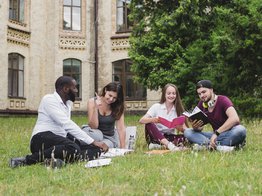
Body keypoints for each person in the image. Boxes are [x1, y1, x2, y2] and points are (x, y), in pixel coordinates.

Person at [10, 76, 108, 168]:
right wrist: (93, 141)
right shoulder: (49, 100)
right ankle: (25, 160)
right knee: (73, 148)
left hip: (59, 141)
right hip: (41, 139)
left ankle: (53, 160)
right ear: (65, 89)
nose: (76, 91)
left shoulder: (68, 103)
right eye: (74, 88)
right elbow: (66, 123)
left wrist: (93, 144)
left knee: (95, 149)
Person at [184, 80, 246, 151]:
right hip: (215, 136)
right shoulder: (202, 104)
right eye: (199, 94)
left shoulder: (223, 100)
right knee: (188, 132)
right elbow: (200, 128)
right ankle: (218, 147)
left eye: (204, 92)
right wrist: (196, 127)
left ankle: (208, 146)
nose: (202, 96)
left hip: (229, 133)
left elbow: (235, 118)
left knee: (241, 129)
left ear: (211, 90)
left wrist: (216, 133)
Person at [139, 83, 188, 151]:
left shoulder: (178, 109)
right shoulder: (156, 106)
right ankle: (169, 145)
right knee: (149, 123)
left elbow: (186, 130)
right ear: (164, 94)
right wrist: (153, 119)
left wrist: (181, 129)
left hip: (169, 137)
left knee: (187, 138)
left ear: (176, 95)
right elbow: (141, 120)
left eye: (174, 93)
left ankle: (159, 146)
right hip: (155, 137)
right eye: (169, 93)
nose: (171, 95)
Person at [82, 82, 126, 149]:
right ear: (105, 90)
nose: (111, 99)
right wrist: (96, 108)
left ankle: (90, 147)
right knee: (97, 135)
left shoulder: (118, 106)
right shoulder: (92, 102)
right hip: (94, 133)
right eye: (110, 95)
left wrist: (123, 148)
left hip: (108, 138)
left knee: (104, 147)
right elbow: (93, 126)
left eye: (115, 98)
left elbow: (121, 128)